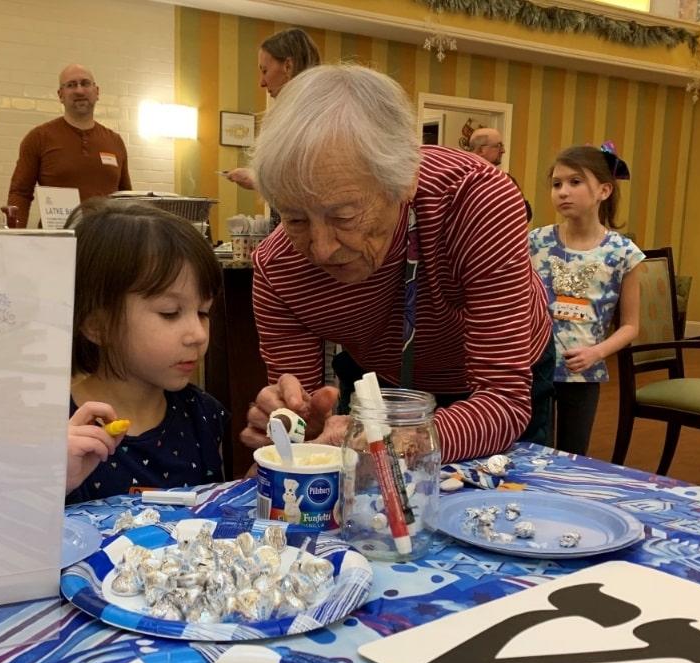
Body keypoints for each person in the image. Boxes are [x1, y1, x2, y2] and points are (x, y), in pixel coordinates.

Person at [239, 64, 553, 462]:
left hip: (497, 379)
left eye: (344, 216)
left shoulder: (475, 199)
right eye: (295, 219)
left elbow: (504, 401)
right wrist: (297, 427)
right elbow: (307, 421)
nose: (320, 249)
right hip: (381, 375)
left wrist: (390, 442)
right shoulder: (278, 266)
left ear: (405, 181)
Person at [64, 200, 227, 503]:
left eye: (203, 312)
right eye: (170, 313)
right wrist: (47, 481)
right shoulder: (57, 427)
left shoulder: (203, 415)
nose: (198, 334)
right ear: (97, 325)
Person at [529, 144, 643, 456]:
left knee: (572, 454)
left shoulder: (623, 253)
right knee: (530, 450)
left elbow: (631, 325)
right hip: (533, 366)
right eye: (556, 184)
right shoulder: (533, 242)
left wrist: (596, 352)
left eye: (575, 182)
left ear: (604, 190)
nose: (563, 192)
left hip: (582, 372)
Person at [8, 64, 131, 227]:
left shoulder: (115, 141)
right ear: (60, 95)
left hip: (106, 244)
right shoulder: (38, 138)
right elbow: (20, 193)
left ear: (97, 92)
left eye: (85, 83)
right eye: (71, 85)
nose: (79, 91)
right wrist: (15, 236)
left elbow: (126, 198)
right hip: (56, 243)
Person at [224, 28, 321, 191]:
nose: (262, 82)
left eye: (265, 71)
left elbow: (307, 183)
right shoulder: (307, 112)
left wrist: (257, 179)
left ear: (288, 66)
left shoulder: (312, 117)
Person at [467, 126, 532, 223]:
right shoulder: (464, 179)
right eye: (498, 146)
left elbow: (526, 214)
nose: (503, 150)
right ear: (481, 150)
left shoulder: (507, 179)